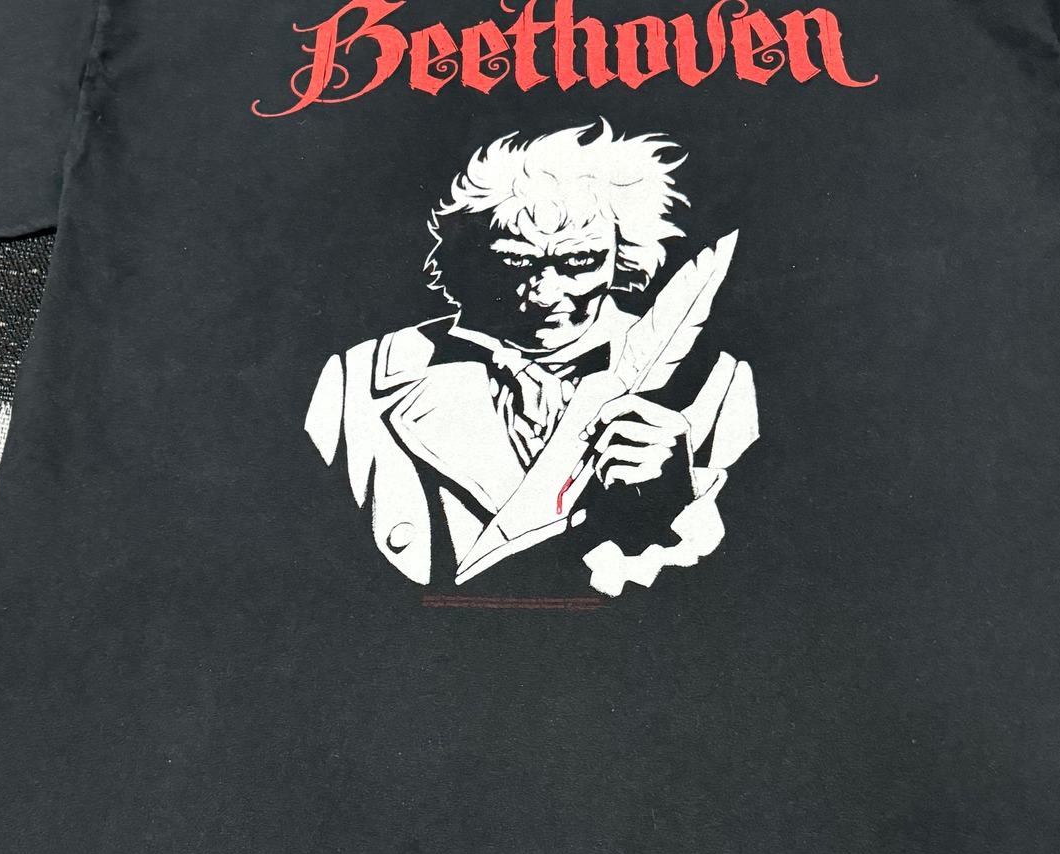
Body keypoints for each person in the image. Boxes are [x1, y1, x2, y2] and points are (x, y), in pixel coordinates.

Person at [306, 120, 758, 595]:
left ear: (625, 255)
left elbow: (746, 586)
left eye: (578, 262)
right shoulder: (357, 379)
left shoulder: (715, 382)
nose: (544, 294)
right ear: (471, 257)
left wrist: (679, 503)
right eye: (517, 262)